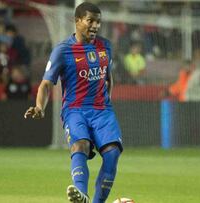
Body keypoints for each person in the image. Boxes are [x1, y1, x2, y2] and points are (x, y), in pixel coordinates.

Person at [24, 2, 123, 203]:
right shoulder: (62, 51)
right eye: (90, 21)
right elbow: (45, 84)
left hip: (102, 110)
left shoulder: (106, 46)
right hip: (75, 110)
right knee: (81, 145)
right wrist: (39, 107)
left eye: (98, 22)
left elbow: (108, 77)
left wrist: (106, 101)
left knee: (112, 154)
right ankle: (81, 194)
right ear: (77, 21)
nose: (95, 26)